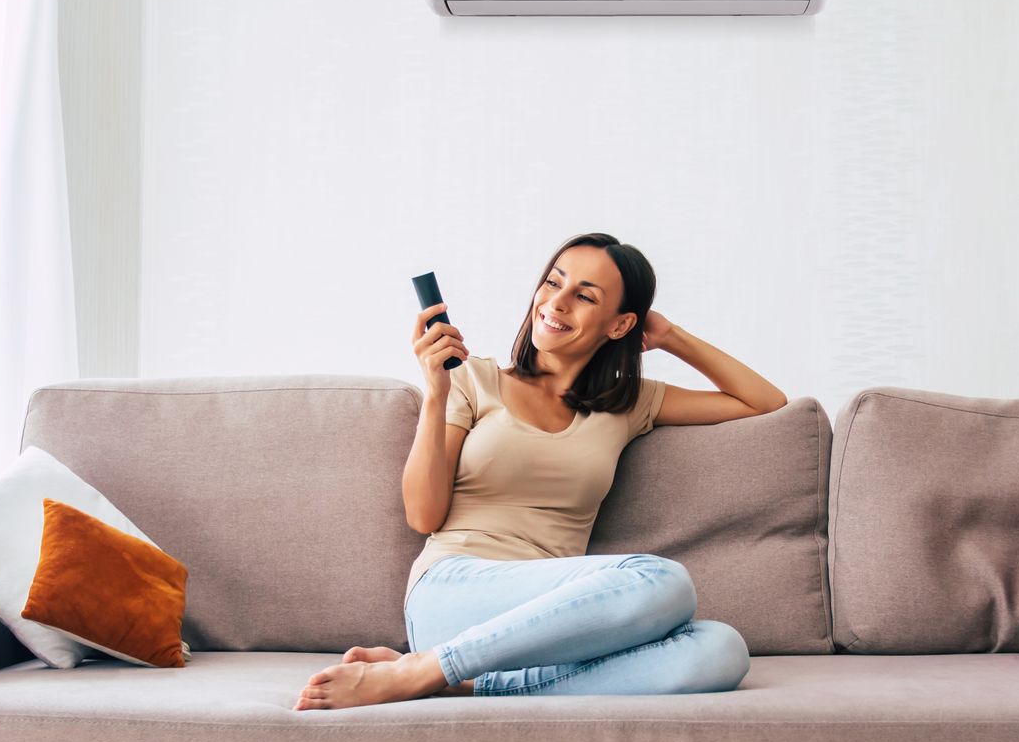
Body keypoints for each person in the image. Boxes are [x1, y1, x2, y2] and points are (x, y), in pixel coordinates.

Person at [293, 231, 786, 710]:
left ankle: (448, 681)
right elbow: (423, 515)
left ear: (619, 325)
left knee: (722, 649)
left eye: (585, 296)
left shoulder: (628, 404)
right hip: (456, 591)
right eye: (553, 282)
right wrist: (436, 394)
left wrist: (669, 336)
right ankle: (425, 668)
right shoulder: (472, 379)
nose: (557, 302)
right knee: (665, 580)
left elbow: (763, 401)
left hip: (555, 626)